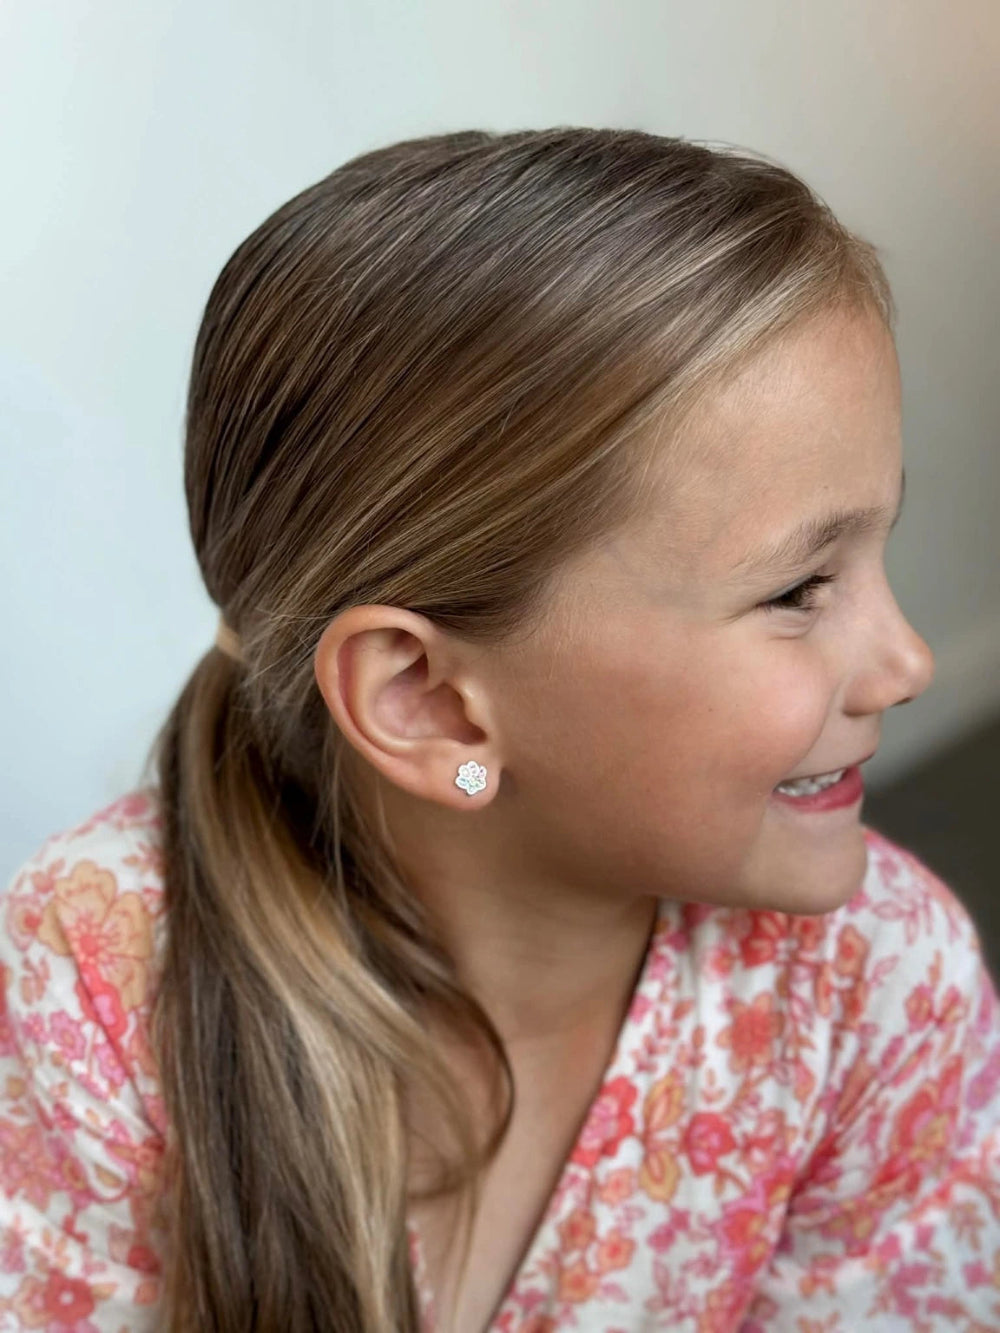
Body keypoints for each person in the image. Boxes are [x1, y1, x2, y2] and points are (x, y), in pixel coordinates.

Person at [1, 128, 997, 1333]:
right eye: (796, 592)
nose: (907, 661)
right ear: (424, 698)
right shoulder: (98, 980)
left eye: (874, 549)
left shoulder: (876, 984)